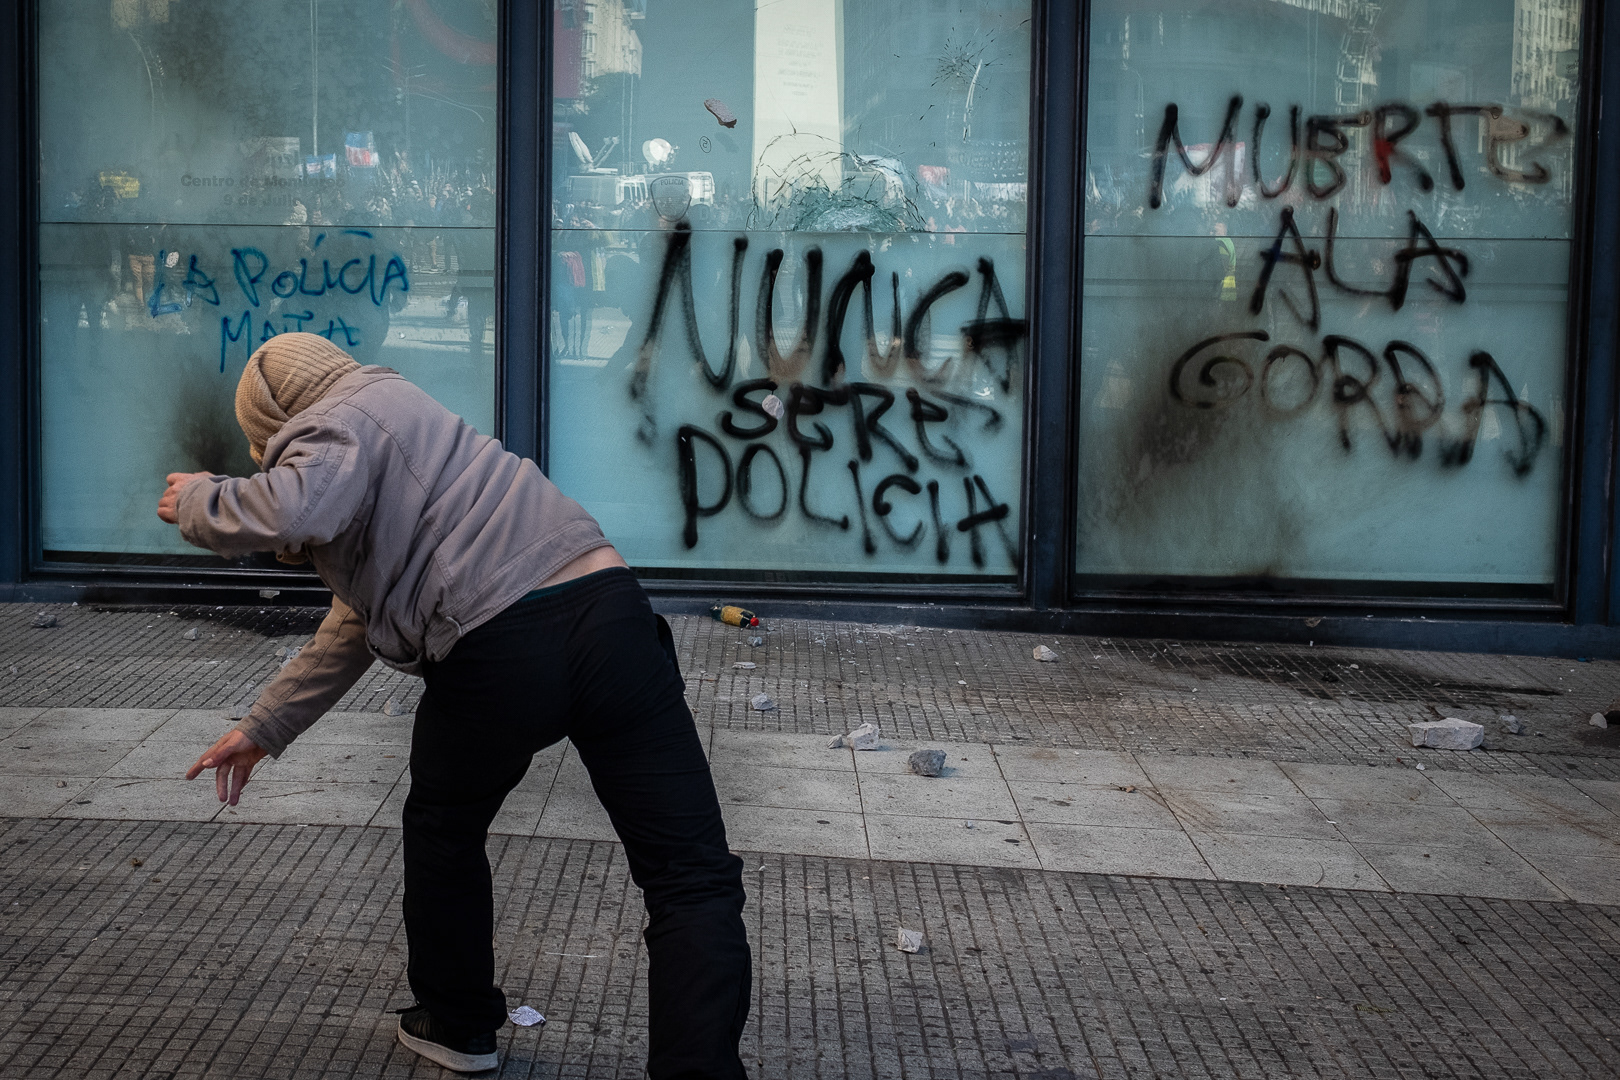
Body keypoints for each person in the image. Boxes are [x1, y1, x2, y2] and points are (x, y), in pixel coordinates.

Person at [155, 332, 751, 1078]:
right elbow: (354, 622)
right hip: (612, 617)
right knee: (689, 874)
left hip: (500, 647)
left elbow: (290, 510)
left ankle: (459, 1022)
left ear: (276, 424)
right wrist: (264, 727)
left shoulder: (336, 419)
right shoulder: (405, 423)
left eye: (262, 450)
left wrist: (200, 500)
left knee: (444, 828)